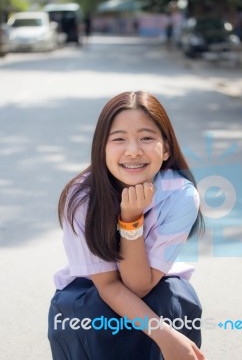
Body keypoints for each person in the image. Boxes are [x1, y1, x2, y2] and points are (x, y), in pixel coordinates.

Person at [48, 91, 206, 360]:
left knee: (174, 298)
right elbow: (108, 286)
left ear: (165, 149)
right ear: (102, 148)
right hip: (91, 296)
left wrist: (131, 221)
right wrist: (164, 336)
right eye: (119, 139)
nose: (133, 150)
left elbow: (140, 285)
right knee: (95, 314)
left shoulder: (180, 194)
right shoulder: (81, 198)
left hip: (152, 287)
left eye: (146, 138)